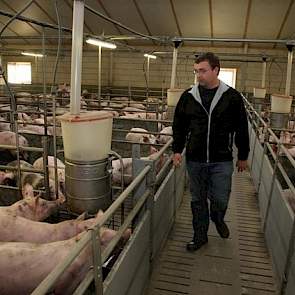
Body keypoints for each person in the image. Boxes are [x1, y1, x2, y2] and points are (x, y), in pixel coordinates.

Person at [172, 52, 249, 251]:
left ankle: (218, 217)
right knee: (197, 201)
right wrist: (177, 150)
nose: (199, 75)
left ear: (216, 70)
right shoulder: (188, 96)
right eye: (197, 71)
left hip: (221, 159)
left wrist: (243, 155)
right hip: (195, 159)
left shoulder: (231, 97)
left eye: (203, 71)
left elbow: (241, 127)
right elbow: (179, 125)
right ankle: (199, 236)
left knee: (220, 198)